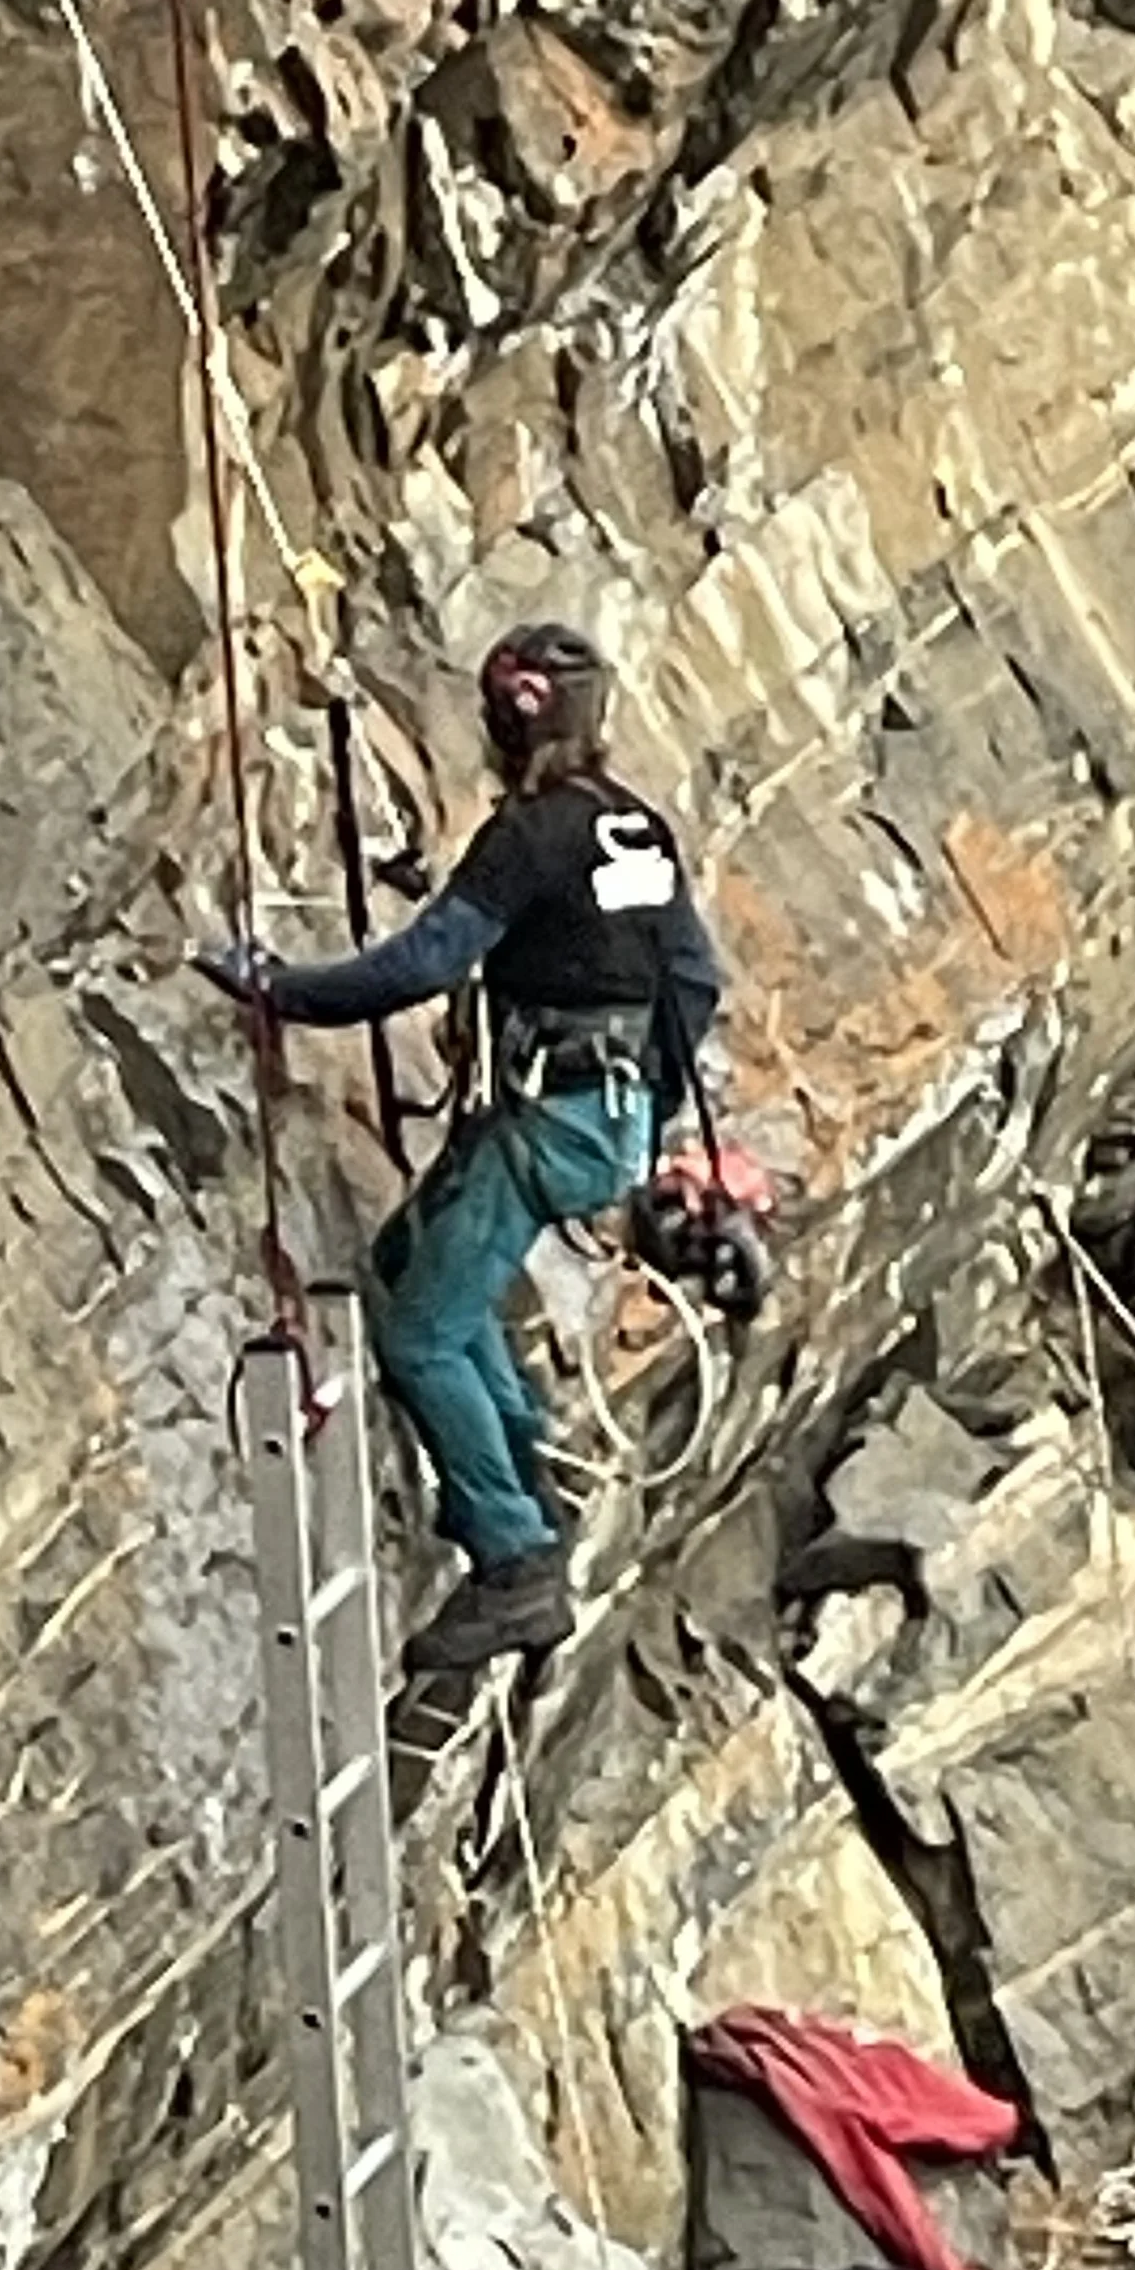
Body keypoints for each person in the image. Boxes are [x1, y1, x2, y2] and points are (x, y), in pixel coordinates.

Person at [197, 623, 721, 1671]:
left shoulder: (529, 835)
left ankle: (514, 1558)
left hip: (547, 1117)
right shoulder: (635, 829)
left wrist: (281, 989)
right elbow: (694, 981)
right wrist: (638, 1109)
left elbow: (425, 963)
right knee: (408, 1273)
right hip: (601, 1112)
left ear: (503, 723)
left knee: (421, 1334)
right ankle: (527, 1479)